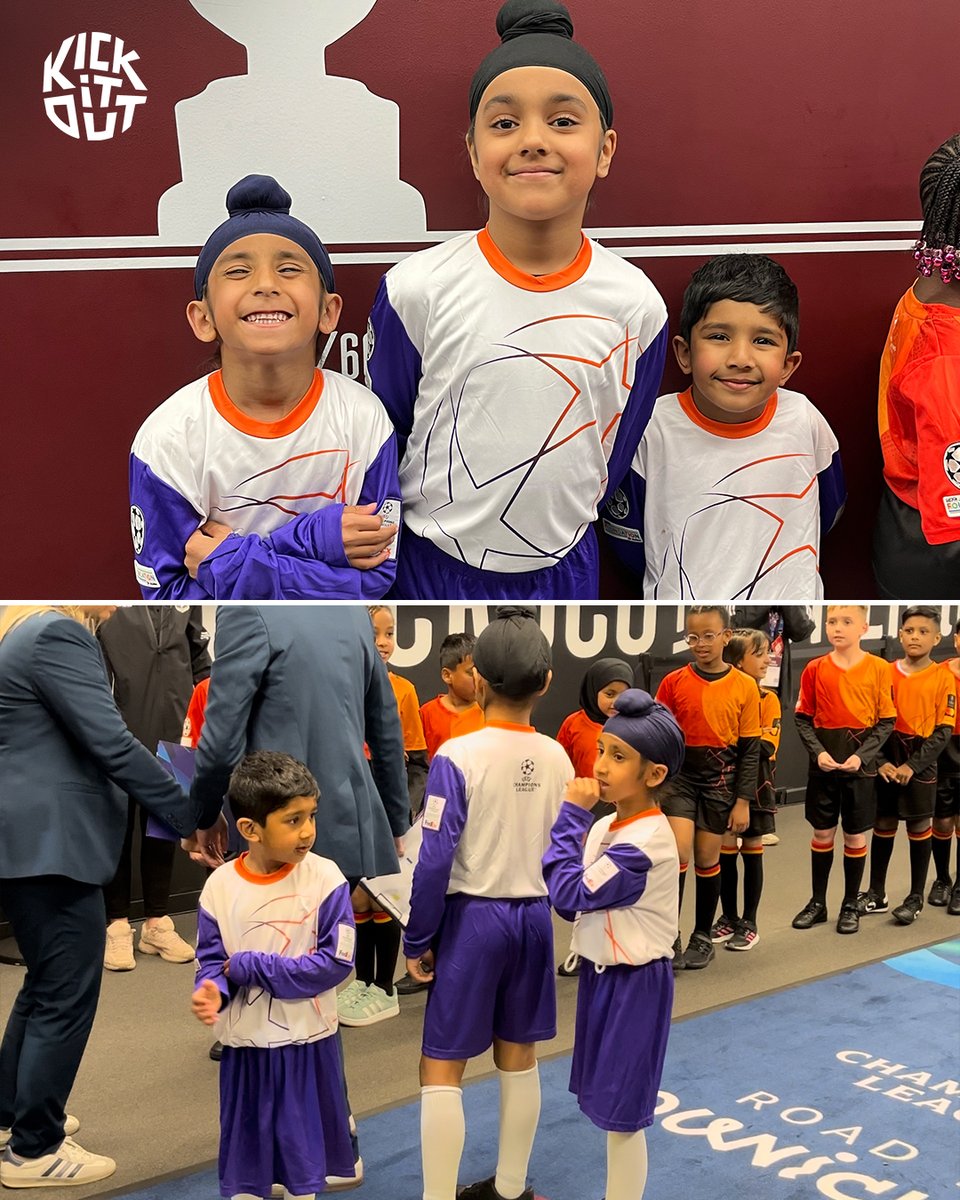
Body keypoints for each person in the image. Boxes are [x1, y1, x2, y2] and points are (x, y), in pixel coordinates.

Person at [367, 0, 668, 600]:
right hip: (428, 572)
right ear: (475, 154)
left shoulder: (637, 305)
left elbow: (615, 453)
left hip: (564, 573)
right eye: (504, 124)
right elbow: (385, 437)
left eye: (563, 121)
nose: (533, 141)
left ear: (605, 149)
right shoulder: (417, 288)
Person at [188, 604, 410, 1191]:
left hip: (273, 821)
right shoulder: (349, 613)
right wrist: (395, 817)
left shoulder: (247, 612)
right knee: (312, 992)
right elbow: (382, 722)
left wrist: (206, 811)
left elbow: (223, 728)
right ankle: (334, 1139)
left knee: (291, 976)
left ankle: (304, 1147)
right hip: (344, 813)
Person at [0, 606, 222, 1188]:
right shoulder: (57, 632)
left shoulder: (36, 631)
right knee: (65, 993)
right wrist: (192, 816)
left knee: (45, 985)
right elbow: (115, 745)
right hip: (51, 840)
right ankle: (34, 1150)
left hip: (37, 839)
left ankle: (12, 1117)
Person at [130, 173, 401, 599]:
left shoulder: (363, 419)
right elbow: (168, 595)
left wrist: (231, 559)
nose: (265, 285)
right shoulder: (168, 439)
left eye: (289, 269)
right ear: (203, 318)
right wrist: (316, 547)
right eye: (238, 271)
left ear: (328, 312)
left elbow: (374, 581)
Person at [402, 607, 572, 1200]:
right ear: (547, 681)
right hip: (535, 918)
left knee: (441, 1065)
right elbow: (565, 850)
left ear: (476, 680)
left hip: (473, 921)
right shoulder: (559, 757)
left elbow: (434, 857)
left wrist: (418, 939)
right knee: (519, 1054)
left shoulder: (457, 756)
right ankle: (510, 1187)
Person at [603, 254, 845, 600]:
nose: (740, 359)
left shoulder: (804, 420)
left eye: (763, 341)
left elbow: (829, 508)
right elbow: (628, 538)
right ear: (684, 353)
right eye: (719, 336)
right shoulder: (650, 429)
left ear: (789, 365)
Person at [192, 751, 356, 1200]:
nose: (307, 831)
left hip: (309, 1044)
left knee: (305, 1162)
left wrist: (252, 966)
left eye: (311, 816)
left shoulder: (327, 879)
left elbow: (334, 964)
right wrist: (212, 990)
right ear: (250, 830)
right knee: (250, 1158)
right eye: (292, 819)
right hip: (246, 1050)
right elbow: (211, 959)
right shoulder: (220, 886)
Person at [542, 689, 685, 1200]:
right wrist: (577, 825)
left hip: (637, 985)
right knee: (606, 1107)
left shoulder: (644, 843)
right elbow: (569, 894)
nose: (600, 766)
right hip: (600, 979)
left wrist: (569, 816)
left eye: (618, 757)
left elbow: (568, 892)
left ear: (655, 775)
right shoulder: (607, 822)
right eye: (601, 749)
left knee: (624, 1116)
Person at [97, 605, 211, 971]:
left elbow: (198, 657)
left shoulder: (185, 602)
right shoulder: (103, 608)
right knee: (117, 828)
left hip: (176, 730)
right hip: (119, 731)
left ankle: (156, 923)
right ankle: (115, 925)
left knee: (164, 828)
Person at [873, 132, 960, 598]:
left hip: (911, 522)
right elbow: (953, 504)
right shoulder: (947, 357)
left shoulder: (930, 290)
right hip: (938, 549)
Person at [654, 606, 761, 970]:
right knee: (678, 853)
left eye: (708, 636)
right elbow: (660, 736)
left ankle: (702, 934)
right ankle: (670, 934)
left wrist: (743, 800)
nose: (700, 644)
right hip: (681, 778)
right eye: (693, 637)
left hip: (721, 781)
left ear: (726, 636)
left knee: (707, 857)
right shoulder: (672, 682)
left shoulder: (746, 686)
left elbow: (750, 751)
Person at [338, 606, 426, 1027]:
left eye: (390, 633)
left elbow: (414, 760)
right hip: (350, 800)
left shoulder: (404, 690)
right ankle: (363, 981)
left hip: (387, 805)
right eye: (375, 632)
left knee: (385, 895)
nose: (384, 641)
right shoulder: (340, 687)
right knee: (356, 896)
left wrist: (401, 817)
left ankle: (385, 988)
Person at [792, 605, 896, 935]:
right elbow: (803, 718)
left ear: (864, 627)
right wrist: (818, 752)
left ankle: (851, 902)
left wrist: (863, 757)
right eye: (832, 621)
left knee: (854, 835)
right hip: (823, 769)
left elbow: (886, 721)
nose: (837, 628)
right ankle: (818, 902)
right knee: (822, 833)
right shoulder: (814, 669)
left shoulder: (879, 668)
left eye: (846, 621)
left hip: (859, 771)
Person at [859, 606, 955, 924]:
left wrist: (913, 766)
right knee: (883, 824)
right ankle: (876, 893)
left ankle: (915, 898)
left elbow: (943, 732)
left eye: (923, 631)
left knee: (918, 827)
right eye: (910, 630)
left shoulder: (944, 678)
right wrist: (883, 762)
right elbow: (872, 723)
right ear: (900, 634)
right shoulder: (884, 672)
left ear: (937, 638)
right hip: (888, 757)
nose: (915, 636)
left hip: (921, 763)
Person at [554, 656, 632, 976]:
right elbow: (562, 768)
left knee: (615, 883)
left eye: (622, 694)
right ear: (592, 691)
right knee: (585, 883)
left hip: (620, 813)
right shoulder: (573, 724)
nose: (615, 701)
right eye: (608, 693)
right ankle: (581, 949)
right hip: (587, 814)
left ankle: (615, 946)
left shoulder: (633, 727)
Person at [711, 629, 781, 952]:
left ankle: (750, 922)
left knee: (751, 849)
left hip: (757, 786)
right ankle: (729, 917)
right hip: (725, 783)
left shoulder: (769, 699)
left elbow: (764, 745)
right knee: (725, 851)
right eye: (760, 654)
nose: (768, 659)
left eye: (768, 652)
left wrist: (738, 740)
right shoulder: (723, 695)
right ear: (737, 662)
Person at [419, 634, 484, 763]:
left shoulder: (490, 713)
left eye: (481, 671)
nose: (478, 678)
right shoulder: (426, 714)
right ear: (447, 675)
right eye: (471, 672)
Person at [932, 618, 960, 914]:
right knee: (941, 821)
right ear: (955, 640)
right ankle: (941, 879)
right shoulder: (938, 673)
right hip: (942, 751)